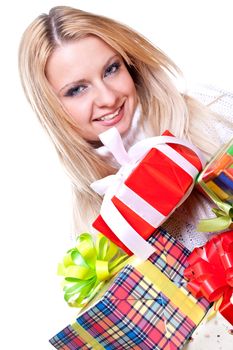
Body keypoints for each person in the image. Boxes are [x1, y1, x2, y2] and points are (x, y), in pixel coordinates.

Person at [18, 5, 232, 249]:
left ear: (129, 65)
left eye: (111, 69)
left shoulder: (212, 110)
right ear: (51, 109)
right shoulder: (90, 226)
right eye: (77, 89)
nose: (108, 98)